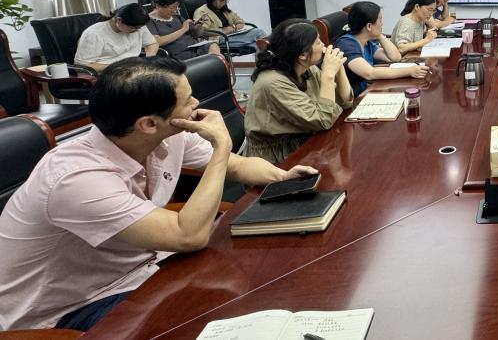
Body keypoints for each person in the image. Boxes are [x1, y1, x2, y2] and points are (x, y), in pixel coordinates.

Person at [0, 57, 317, 331]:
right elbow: (188, 236)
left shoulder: (165, 136)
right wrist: (222, 145)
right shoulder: (76, 178)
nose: (197, 105)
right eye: (188, 100)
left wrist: (283, 177)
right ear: (149, 123)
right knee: (218, 316)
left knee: (254, 284)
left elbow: (238, 166)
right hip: (72, 307)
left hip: (141, 266)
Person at [240, 19, 354, 164]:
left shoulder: (307, 68)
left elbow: (344, 103)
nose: (323, 45)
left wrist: (339, 68)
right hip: (277, 159)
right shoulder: (272, 83)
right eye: (318, 42)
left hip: (307, 141)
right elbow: (323, 119)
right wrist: (328, 75)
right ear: (302, 54)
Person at [334, 1, 430, 95]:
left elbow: (395, 57)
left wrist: (380, 36)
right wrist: (409, 71)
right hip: (353, 100)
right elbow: (369, 73)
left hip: (366, 92)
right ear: (369, 26)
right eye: (380, 20)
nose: (382, 24)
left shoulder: (366, 42)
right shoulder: (347, 45)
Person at [74, 3, 159, 71]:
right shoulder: (94, 34)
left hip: (133, 68)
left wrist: (148, 59)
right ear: (119, 20)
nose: (137, 31)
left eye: (139, 28)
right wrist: (120, 66)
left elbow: (152, 43)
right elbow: (83, 65)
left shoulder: (137, 26)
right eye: (132, 28)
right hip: (108, 72)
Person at [146, 0, 220, 60]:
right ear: (158, 6)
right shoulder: (149, 21)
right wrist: (183, 29)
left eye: (176, 7)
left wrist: (198, 27)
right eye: (172, 8)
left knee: (213, 46)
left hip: (193, 47)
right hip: (177, 53)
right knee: (210, 60)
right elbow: (157, 41)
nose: (174, 11)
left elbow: (195, 35)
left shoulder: (176, 17)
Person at [192, 0, 267, 52]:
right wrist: (224, 30)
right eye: (221, 1)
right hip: (217, 40)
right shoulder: (202, 12)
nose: (225, 3)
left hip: (230, 36)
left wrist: (239, 24)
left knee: (257, 44)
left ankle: (264, 62)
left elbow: (238, 20)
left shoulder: (224, 10)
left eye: (226, 0)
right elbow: (203, 31)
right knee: (258, 33)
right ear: (212, 0)